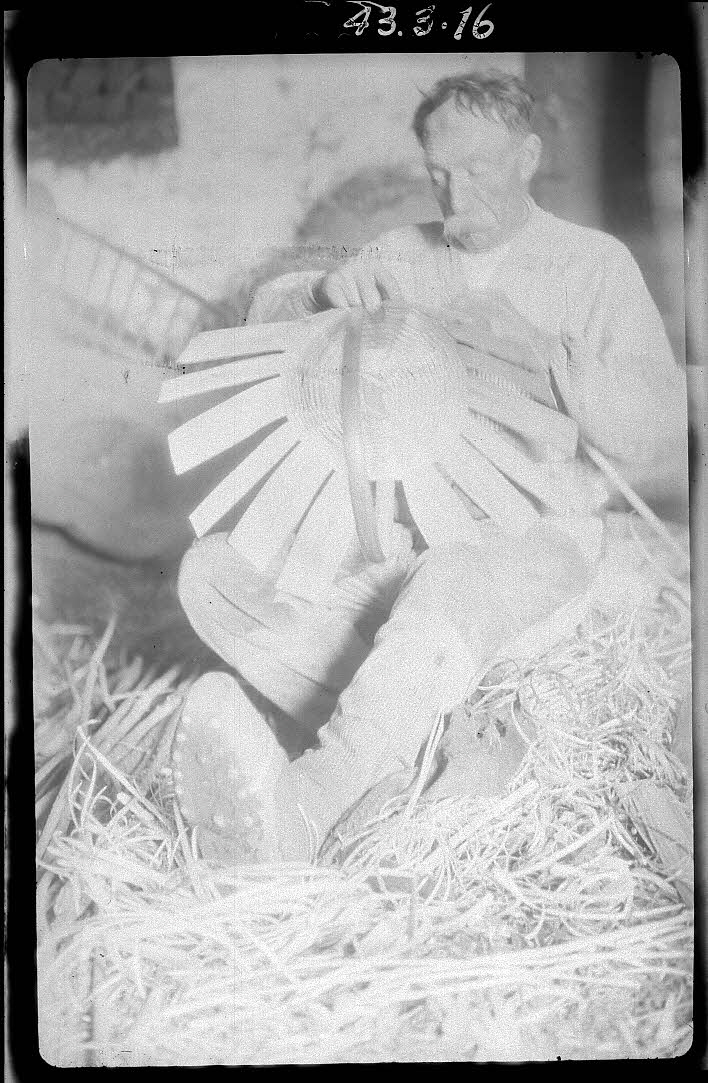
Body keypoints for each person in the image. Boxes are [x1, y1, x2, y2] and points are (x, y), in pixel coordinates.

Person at [171, 71, 689, 864]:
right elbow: (268, 324)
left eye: (478, 170)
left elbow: (657, 429)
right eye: (439, 175)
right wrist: (314, 293)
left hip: (529, 540)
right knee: (213, 574)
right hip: (393, 540)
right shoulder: (406, 253)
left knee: (444, 586)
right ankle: (417, 732)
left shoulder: (592, 265)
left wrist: (548, 357)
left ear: (528, 156)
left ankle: (302, 815)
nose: (457, 196)